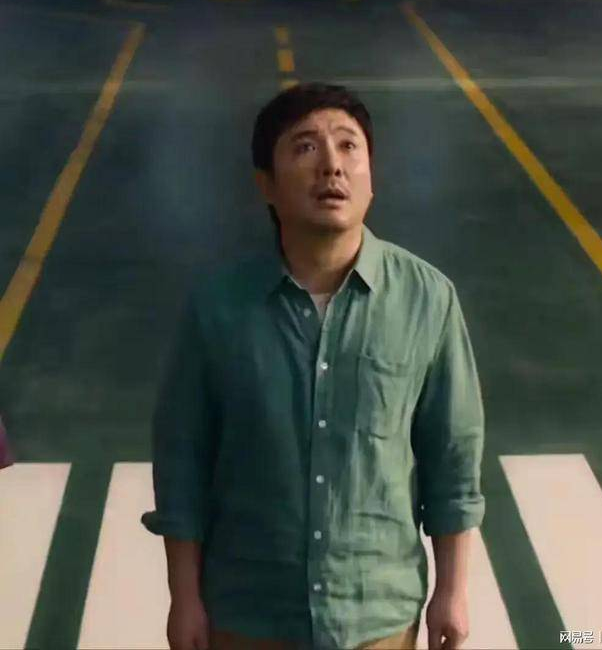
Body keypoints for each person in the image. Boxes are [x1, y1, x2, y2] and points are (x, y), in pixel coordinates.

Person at [141, 82, 486, 650]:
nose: (332, 165)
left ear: (372, 177)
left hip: (377, 617)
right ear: (266, 186)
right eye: (305, 147)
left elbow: (452, 455)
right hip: (248, 616)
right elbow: (183, 460)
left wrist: (452, 590)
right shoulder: (217, 308)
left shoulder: (427, 299)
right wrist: (185, 596)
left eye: (349, 146)